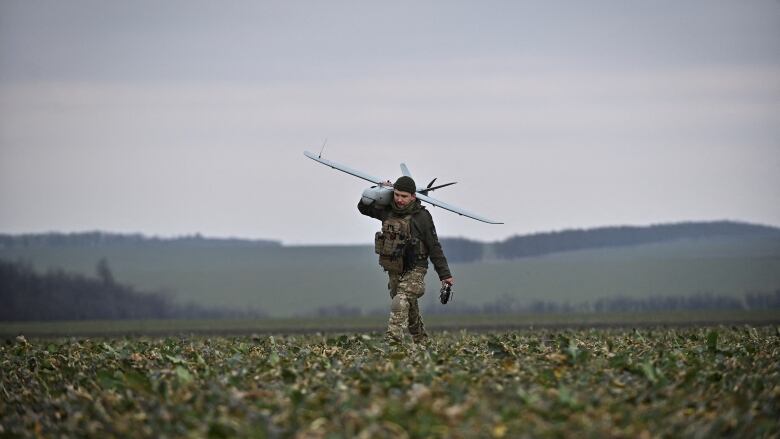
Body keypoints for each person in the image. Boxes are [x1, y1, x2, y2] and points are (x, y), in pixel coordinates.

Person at [358, 175, 454, 344]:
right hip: (395, 267)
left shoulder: (422, 217)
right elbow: (363, 208)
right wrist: (378, 190)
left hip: (416, 268)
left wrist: (445, 275)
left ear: (413, 196)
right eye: (396, 195)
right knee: (409, 308)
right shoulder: (388, 210)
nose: (399, 200)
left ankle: (393, 343)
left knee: (400, 302)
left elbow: (434, 246)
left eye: (404, 196)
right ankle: (422, 341)